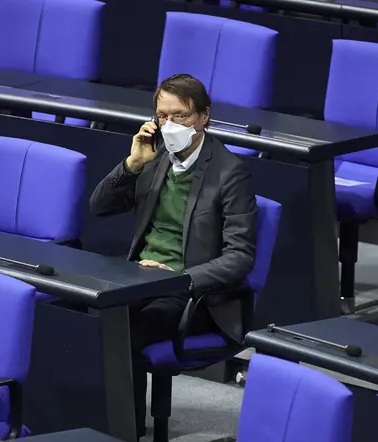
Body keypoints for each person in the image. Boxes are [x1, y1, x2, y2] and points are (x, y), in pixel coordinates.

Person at [89, 73, 258, 440]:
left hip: (194, 296)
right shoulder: (154, 158)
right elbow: (99, 206)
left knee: (122, 332)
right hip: (140, 280)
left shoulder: (229, 174)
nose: (169, 124)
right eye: (162, 115)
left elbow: (240, 258)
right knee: (86, 317)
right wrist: (132, 164)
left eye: (180, 116)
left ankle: (124, 432)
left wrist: (179, 279)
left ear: (203, 116)